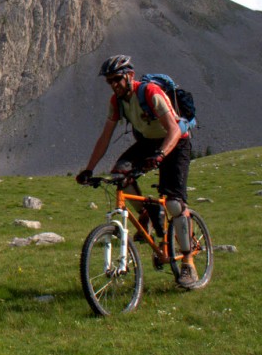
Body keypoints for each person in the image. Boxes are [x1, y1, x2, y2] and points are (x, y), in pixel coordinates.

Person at [76, 55, 197, 288]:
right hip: (148, 143)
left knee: (174, 203)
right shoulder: (116, 101)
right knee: (119, 175)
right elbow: (105, 137)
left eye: (117, 79)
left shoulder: (151, 93)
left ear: (129, 76)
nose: (114, 84)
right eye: (109, 81)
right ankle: (149, 213)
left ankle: (188, 264)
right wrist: (89, 169)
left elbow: (173, 129)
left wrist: (161, 155)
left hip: (176, 141)